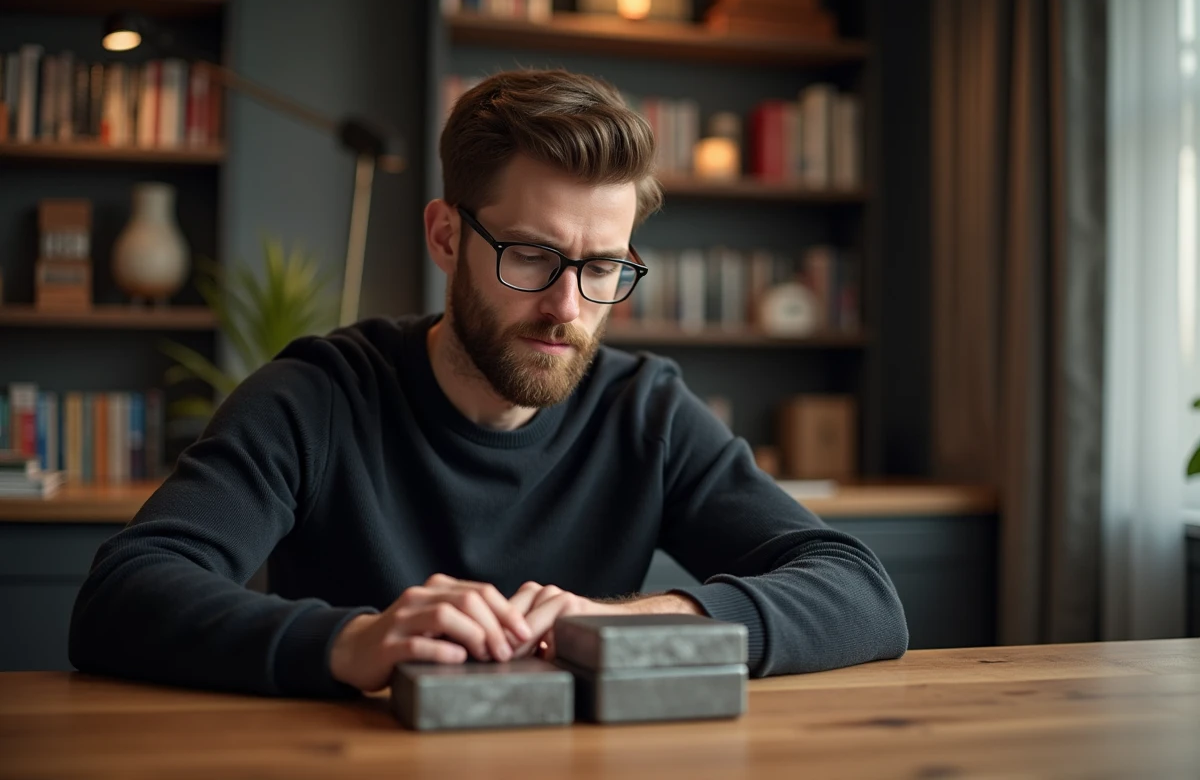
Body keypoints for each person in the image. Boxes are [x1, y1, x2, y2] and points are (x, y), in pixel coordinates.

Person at [69, 69, 908, 698]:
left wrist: (636, 623)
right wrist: (351, 642)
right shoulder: (317, 397)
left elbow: (860, 592)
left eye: (603, 267)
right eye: (532, 256)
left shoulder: (642, 408)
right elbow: (123, 596)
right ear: (445, 236)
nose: (565, 307)